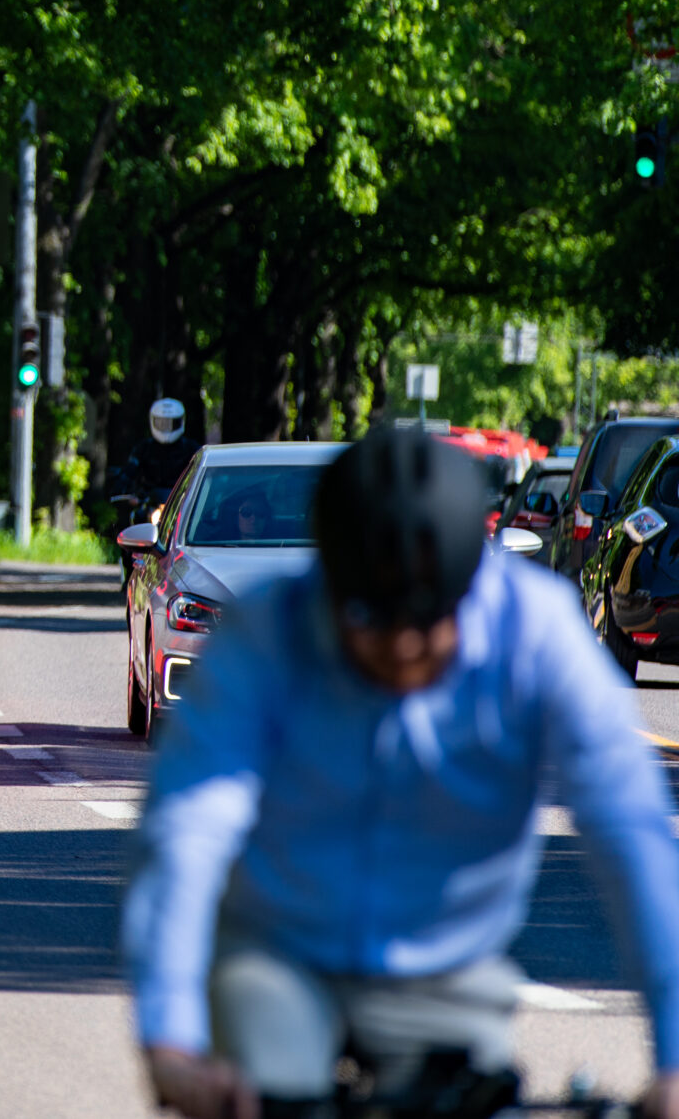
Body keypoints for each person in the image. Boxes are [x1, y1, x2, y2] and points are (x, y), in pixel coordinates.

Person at [123, 426, 679, 1119]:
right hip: (280, 950)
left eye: (426, 623)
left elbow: (632, 834)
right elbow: (186, 830)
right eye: (371, 620)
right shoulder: (265, 632)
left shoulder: (537, 635)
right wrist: (170, 1041)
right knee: (268, 1077)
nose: (401, 648)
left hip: (447, 966)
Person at [115, 396, 203, 501]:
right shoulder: (144, 448)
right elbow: (129, 471)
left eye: (171, 424)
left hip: (182, 502)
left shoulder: (191, 449)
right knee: (136, 516)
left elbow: (202, 476)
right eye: (162, 423)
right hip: (148, 502)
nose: (166, 428)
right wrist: (123, 492)